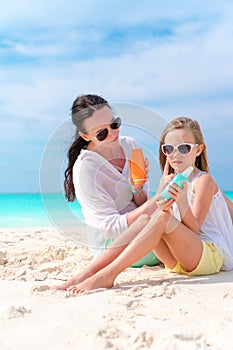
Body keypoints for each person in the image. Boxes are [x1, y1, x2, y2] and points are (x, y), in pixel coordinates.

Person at [53, 116, 233, 294]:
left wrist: (182, 200)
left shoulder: (204, 180)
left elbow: (194, 229)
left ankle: (108, 275)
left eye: (184, 148)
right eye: (169, 149)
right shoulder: (171, 180)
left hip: (208, 256)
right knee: (144, 219)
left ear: (198, 150)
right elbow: (158, 220)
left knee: (161, 217)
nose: (175, 154)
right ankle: (88, 273)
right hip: (177, 261)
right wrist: (139, 189)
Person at [55, 94, 160, 290]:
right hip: (112, 248)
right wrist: (157, 202)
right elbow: (109, 227)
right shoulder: (86, 169)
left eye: (115, 124)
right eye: (101, 133)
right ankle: (101, 275)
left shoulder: (130, 145)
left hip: (145, 234)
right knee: (160, 217)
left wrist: (137, 188)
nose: (113, 133)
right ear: (85, 136)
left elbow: (142, 202)